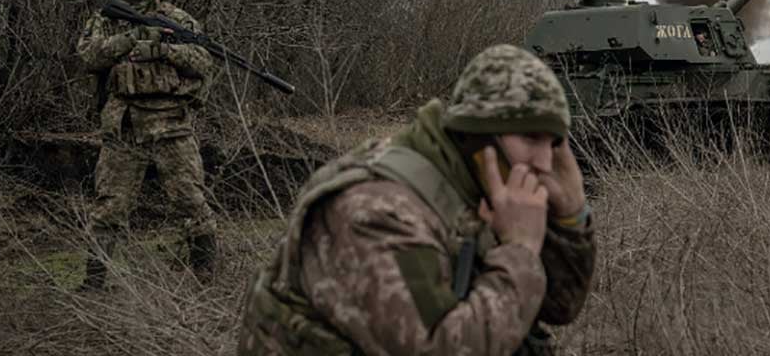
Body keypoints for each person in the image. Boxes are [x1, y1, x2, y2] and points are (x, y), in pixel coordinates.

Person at [238, 44, 596, 356]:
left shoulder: (479, 185)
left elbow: (558, 306)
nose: (545, 162)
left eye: (553, 143)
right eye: (531, 139)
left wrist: (570, 215)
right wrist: (519, 250)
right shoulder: (375, 210)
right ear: (478, 137)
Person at [75, 0, 217, 289]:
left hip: (172, 123)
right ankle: (93, 283)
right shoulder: (104, 19)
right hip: (123, 125)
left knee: (190, 199)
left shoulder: (175, 18)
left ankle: (205, 277)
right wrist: (130, 40)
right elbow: (88, 56)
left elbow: (203, 61)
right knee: (110, 206)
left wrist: (164, 50)